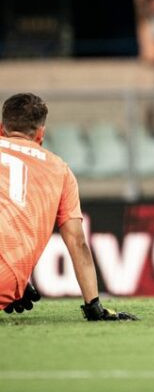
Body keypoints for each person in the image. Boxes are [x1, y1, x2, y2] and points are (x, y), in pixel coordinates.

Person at [0, 93, 137, 321]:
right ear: (41, 134)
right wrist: (94, 307)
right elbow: (77, 241)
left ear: (1, 128)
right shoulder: (59, 170)